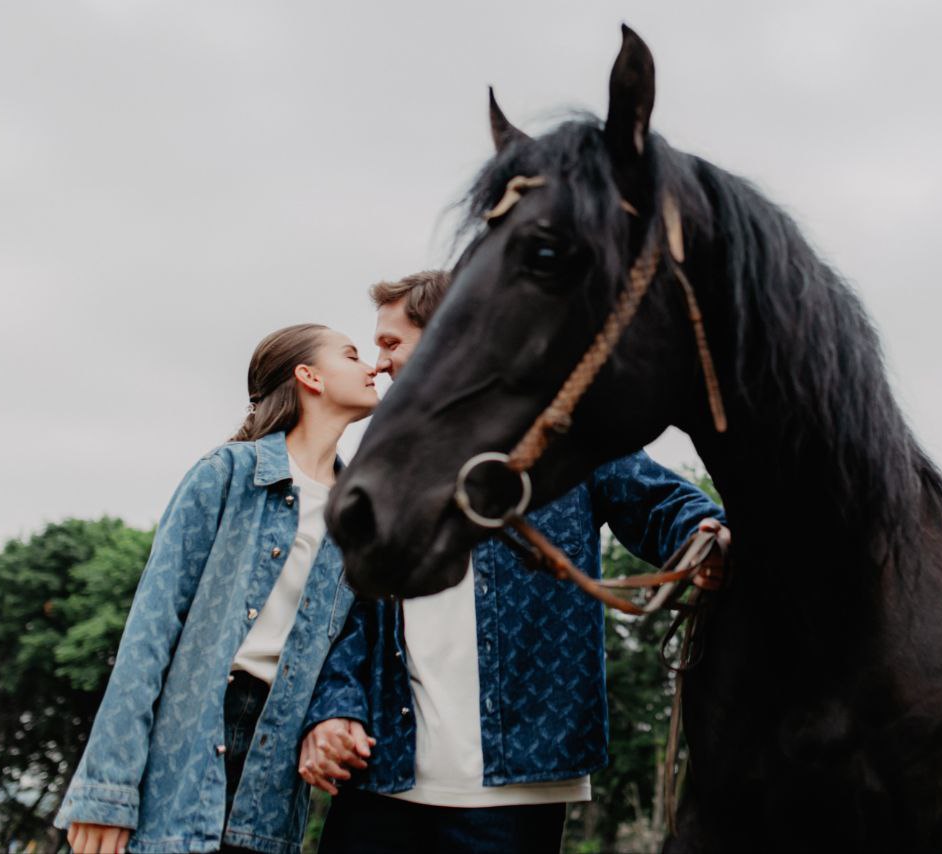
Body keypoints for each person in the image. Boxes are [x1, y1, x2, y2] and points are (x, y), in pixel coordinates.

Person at [299, 272, 729, 854]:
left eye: (392, 344)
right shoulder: (384, 457)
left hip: (520, 781)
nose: (380, 364)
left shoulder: (566, 428)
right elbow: (349, 605)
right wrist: (335, 710)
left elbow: (663, 504)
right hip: (386, 769)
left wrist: (708, 539)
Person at [54, 324, 378, 854]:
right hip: (184, 747)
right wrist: (107, 791)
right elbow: (149, 634)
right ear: (309, 375)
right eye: (351, 355)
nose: (371, 367)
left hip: (278, 766)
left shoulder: (361, 517)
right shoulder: (226, 475)